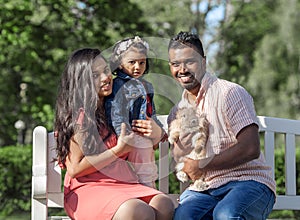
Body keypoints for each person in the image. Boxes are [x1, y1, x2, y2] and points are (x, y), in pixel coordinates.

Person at [54, 48, 174, 220]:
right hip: (88, 187)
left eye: (106, 70)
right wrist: (118, 150)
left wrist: (157, 132)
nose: (105, 77)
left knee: (164, 205)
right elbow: (75, 168)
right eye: (95, 75)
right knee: (139, 211)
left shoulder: (120, 105)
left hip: (123, 183)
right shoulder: (80, 115)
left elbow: (143, 145)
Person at [167, 31, 276, 219]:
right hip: (204, 189)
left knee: (226, 214)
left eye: (189, 62)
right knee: (183, 217)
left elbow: (251, 148)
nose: (182, 69)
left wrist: (203, 164)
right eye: (176, 64)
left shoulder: (230, 93)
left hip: (247, 181)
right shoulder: (177, 112)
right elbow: (180, 159)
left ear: (203, 62)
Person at [105, 36, 166, 188]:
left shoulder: (147, 86)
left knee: (146, 167)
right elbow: (114, 111)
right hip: (126, 136)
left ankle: (148, 188)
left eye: (142, 62)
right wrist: (122, 134)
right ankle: (144, 188)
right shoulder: (117, 85)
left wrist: (158, 131)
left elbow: (150, 112)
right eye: (131, 62)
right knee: (137, 166)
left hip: (142, 136)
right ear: (119, 63)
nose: (137, 67)